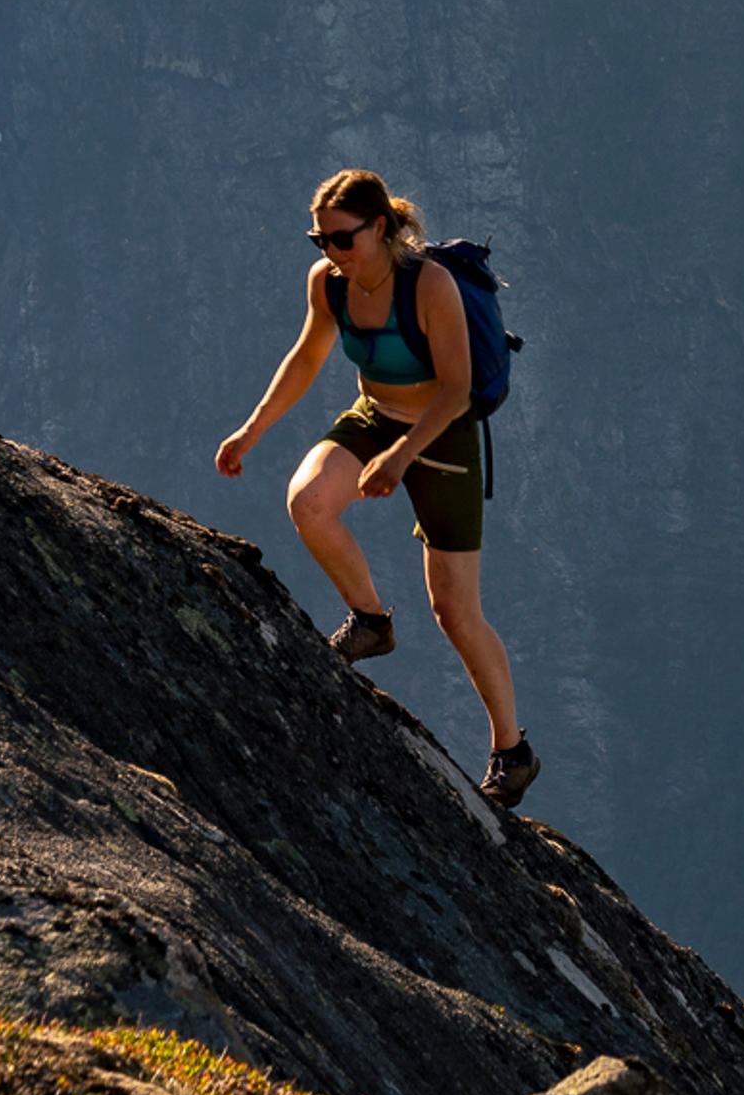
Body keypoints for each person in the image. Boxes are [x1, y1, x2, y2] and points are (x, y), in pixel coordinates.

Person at [216, 167, 538, 808]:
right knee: (308, 502)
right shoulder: (329, 286)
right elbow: (307, 357)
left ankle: (513, 752)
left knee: (455, 611)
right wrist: (250, 432)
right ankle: (370, 621)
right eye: (320, 241)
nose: (331, 252)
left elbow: (454, 388)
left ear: (381, 228)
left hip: (440, 437)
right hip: (373, 420)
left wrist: (402, 455)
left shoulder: (430, 285)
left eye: (342, 238)